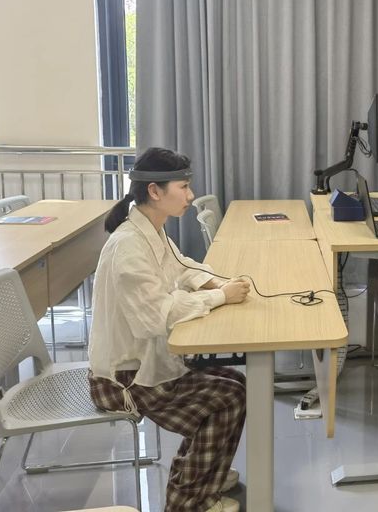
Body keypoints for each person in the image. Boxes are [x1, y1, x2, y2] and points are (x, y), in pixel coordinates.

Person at [88, 147, 251, 512]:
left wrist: (215, 283)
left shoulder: (149, 231)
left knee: (236, 383)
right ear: (155, 191)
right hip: (124, 380)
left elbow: (182, 266)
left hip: (144, 363)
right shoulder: (128, 246)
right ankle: (187, 501)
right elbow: (155, 317)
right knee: (228, 398)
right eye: (183, 187)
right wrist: (220, 296)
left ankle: (207, 476)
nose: (190, 195)